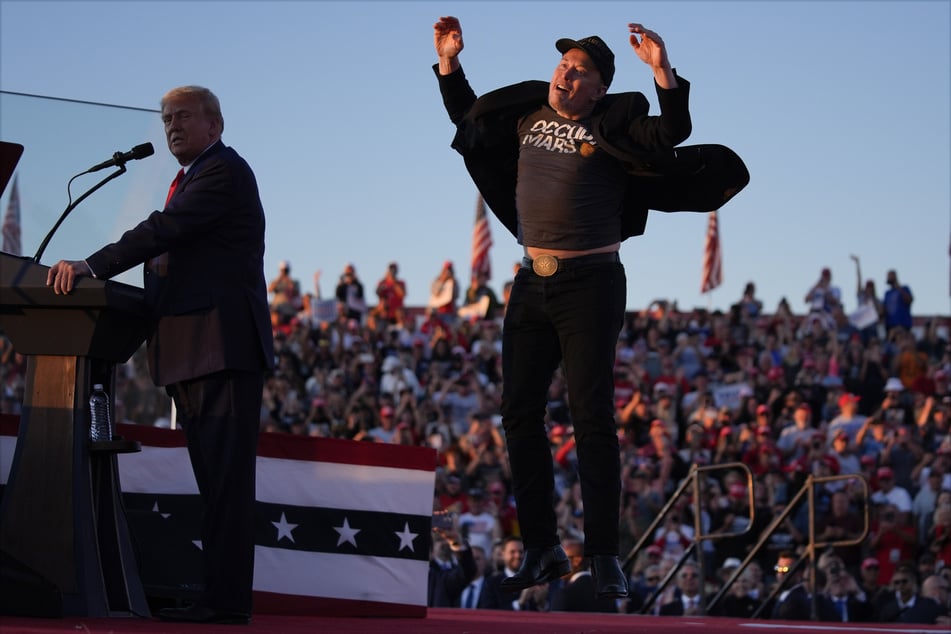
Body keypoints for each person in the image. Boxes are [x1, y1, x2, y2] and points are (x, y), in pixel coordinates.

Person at [433, 15, 745, 600]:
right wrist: (449, 63)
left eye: (578, 70)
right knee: (519, 414)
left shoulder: (612, 122)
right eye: (563, 63)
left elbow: (672, 131)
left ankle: (603, 554)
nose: (564, 73)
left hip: (591, 283)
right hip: (530, 282)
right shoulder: (527, 115)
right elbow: (469, 119)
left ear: (598, 87)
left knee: (591, 416)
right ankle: (542, 548)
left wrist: (662, 73)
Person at [46, 85, 273, 625]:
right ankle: (220, 596)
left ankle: (226, 602)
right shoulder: (190, 179)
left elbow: (164, 230)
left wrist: (92, 266)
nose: (171, 126)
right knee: (214, 483)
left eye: (184, 117)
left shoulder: (222, 173)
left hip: (220, 348)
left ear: (215, 126)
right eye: (167, 118)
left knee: (225, 484)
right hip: (193, 350)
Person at [267, 259, 302, 327]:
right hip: (276, 306)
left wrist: (287, 279)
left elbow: (296, 292)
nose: (284, 272)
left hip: (288, 307)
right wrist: (279, 279)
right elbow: (269, 290)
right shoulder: (275, 282)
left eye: (285, 270)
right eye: (282, 270)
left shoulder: (294, 282)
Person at [882, 269, 913, 335]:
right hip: (890, 325)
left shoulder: (904, 288)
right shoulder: (887, 293)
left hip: (903, 324)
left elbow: (909, 300)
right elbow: (884, 310)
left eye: (890, 276)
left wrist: (899, 287)